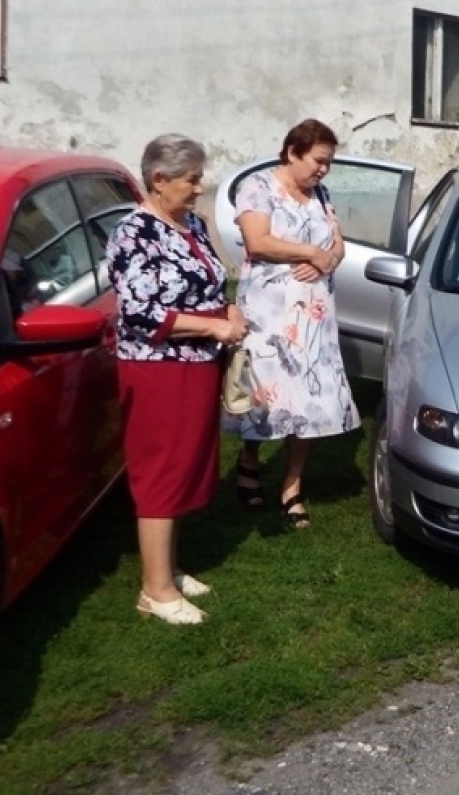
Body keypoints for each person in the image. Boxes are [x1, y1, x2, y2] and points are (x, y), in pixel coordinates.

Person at [106, 134, 247, 625]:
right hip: (157, 367)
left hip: (194, 364)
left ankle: (167, 568)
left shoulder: (191, 224)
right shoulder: (133, 232)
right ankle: (155, 590)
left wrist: (228, 310)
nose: (198, 188)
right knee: (160, 471)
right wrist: (213, 326)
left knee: (184, 463)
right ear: (159, 180)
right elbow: (143, 311)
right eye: (190, 180)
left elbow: (210, 281)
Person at [228, 119, 359, 528]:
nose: (324, 170)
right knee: (264, 393)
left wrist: (329, 258)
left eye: (328, 163)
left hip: (313, 316)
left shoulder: (321, 194)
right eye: (319, 161)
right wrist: (309, 253)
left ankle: (292, 483)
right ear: (292, 153)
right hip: (268, 313)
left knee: (309, 400)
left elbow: (336, 244)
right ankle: (249, 460)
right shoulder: (258, 188)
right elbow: (258, 241)